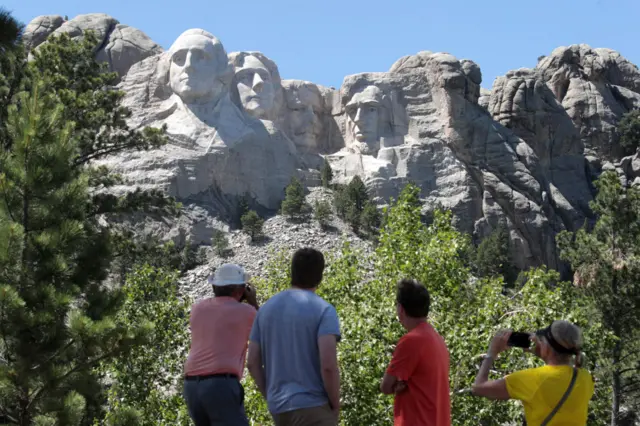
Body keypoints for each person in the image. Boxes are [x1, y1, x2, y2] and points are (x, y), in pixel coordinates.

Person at [247, 248, 341, 426]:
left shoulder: (265, 310)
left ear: (293, 273)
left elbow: (252, 362)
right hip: (314, 407)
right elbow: (328, 366)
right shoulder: (324, 310)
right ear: (320, 276)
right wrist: (335, 405)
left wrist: (271, 397)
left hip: (280, 409)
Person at [472, 320, 595, 425]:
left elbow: (478, 388)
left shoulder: (532, 378)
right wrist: (541, 350)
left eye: (541, 340)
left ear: (546, 348)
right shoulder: (585, 378)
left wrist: (492, 353)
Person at [183, 263, 260, 426]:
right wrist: (253, 301)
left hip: (191, 386)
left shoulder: (197, 308)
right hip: (220, 385)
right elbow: (265, 332)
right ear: (240, 291)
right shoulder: (246, 312)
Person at [381, 279, 451, 426]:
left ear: (400, 309)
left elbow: (386, 386)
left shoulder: (411, 341)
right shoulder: (437, 339)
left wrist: (396, 385)